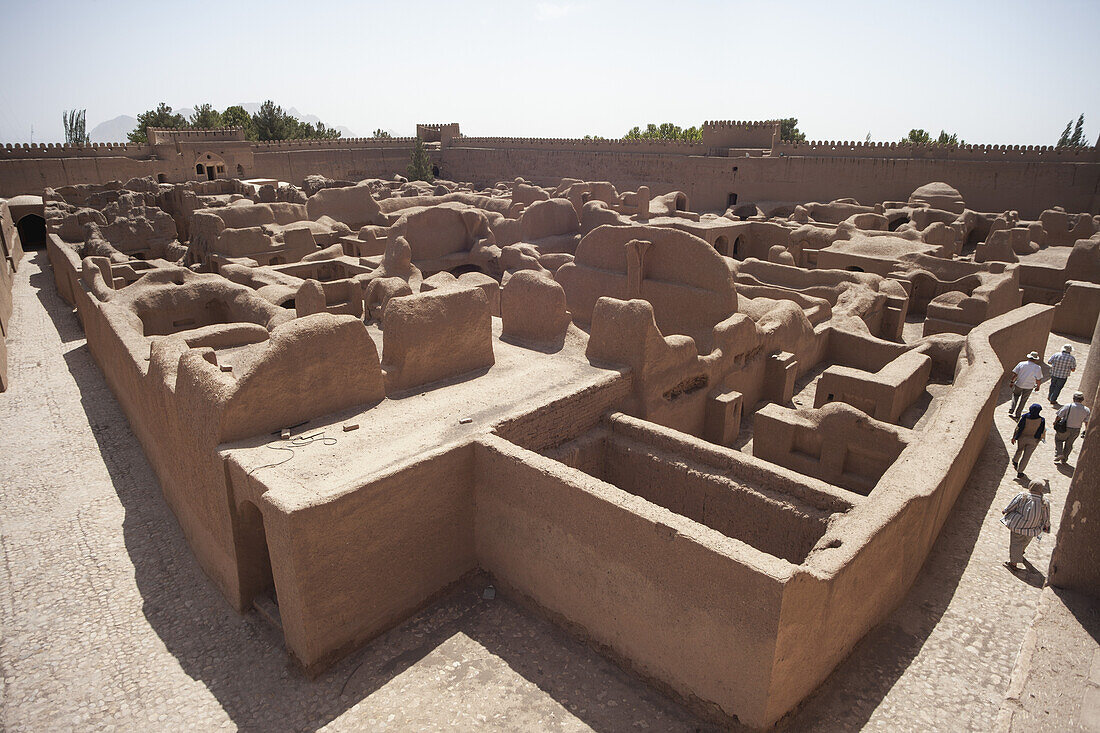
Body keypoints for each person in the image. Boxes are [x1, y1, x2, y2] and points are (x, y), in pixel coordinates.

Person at [1001, 479, 1051, 572]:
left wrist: (1005, 510)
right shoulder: (1045, 501)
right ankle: (1021, 551)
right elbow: (1046, 516)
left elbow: (1013, 505)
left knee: (1016, 543)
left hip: (1018, 526)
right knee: (1025, 541)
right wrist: (1046, 525)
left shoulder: (1023, 496)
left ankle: (1013, 563)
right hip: (1033, 528)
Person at [1053, 391, 1091, 464]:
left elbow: (1059, 415)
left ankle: (1060, 453)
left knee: (1058, 440)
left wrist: (1055, 422)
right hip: (1076, 429)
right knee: (1069, 444)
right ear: (1082, 399)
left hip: (1065, 428)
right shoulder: (1086, 409)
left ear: (1074, 398)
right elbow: (1086, 422)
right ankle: (1064, 459)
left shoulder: (1068, 406)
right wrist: (1086, 430)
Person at [1011, 403, 1045, 478]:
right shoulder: (1041, 420)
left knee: (1019, 450)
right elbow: (1042, 431)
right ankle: (1020, 472)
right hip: (1033, 440)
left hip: (1022, 437)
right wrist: (1041, 439)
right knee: (1026, 456)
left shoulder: (1025, 417)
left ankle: (1015, 460)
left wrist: (1014, 437)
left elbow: (1018, 428)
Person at [1008, 351, 1046, 419]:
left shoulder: (1021, 364)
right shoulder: (1037, 367)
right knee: (1023, 400)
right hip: (1029, 386)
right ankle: (1018, 414)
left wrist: (1012, 382)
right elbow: (1038, 379)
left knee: (1015, 395)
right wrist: (1038, 386)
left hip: (1019, 384)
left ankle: (1012, 408)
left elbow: (1015, 374)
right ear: (1035, 359)